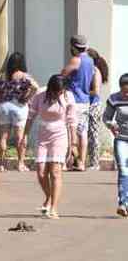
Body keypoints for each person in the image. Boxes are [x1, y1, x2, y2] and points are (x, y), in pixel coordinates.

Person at [24, 75, 76, 220]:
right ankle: (49, 196)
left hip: (60, 135)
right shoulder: (40, 94)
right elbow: (31, 116)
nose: (57, 94)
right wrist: (25, 135)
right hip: (43, 135)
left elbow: (72, 121)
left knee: (55, 172)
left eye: (60, 91)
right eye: (55, 91)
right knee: (41, 172)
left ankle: (54, 207)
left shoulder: (68, 97)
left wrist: (73, 145)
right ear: (50, 89)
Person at [0, 52, 38, 172]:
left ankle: (1, 164)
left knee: (3, 136)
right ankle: (20, 164)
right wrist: (27, 97)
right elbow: (35, 87)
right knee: (20, 137)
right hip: (19, 106)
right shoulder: (25, 76)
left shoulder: (3, 76)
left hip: (4, 106)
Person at [61, 35, 94, 171]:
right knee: (83, 132)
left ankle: (67, 161)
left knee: (70, 130)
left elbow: (62, 74)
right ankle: (81, 162)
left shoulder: (76, 60)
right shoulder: (90, 60)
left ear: (74, 47)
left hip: (74, 99)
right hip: (85, 99)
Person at [102, 73, 128, 217]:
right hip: (122, 139)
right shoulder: (114, 99)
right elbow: (106, 117)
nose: (126, 95)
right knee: (124, 170)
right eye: (124, 92)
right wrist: (111, 124)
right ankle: (122, 203)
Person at [86, 48, 109, 170]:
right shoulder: (88, 70)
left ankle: (94, 163)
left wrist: (82, 92)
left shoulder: (95, 71)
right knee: (86, 135)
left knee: (93, 134)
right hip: (87, 105)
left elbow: (96, 91)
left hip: (93, 105)